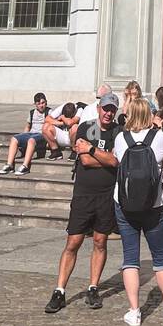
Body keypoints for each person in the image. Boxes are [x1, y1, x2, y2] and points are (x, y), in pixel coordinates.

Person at [113, 96, 163, 326]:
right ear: (149, 115)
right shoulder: (159, 138)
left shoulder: (121, 138)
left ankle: (134, 311)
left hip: (124, 204)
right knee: (160, 256)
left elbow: (117, 160)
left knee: (130, 257)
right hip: (153, 205)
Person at [45, 93, 120, 313]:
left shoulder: (118, 132)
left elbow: (116, 161)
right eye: (105, 108)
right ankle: (60, 290)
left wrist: (94, 150)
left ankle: (93, 287)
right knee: (73, 242)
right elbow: (85, 160)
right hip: (84, 195)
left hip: (106, 195)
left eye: (112, 110)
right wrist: (102, 157)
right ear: (98, 108)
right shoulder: (87, 127)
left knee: (100, 242)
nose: (108, 113)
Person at [0, 93, 50, 175]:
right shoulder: (32, 112)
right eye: (38, 104)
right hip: (31, 133)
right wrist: (23, 138)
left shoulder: (50, 112)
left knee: (31, 140)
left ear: (46, 102)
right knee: (14, 138)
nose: (41, 106)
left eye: (43, 103)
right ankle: (9, 164)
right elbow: (28, 126)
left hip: (42, 135)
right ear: (35, 104)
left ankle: (25, 166)